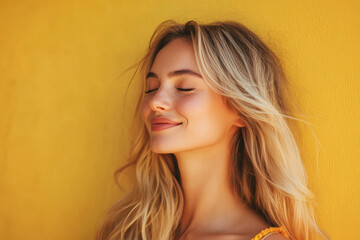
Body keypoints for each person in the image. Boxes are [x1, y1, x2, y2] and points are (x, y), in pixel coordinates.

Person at [96, 20, 329, 240]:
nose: (156, 101)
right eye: (151, 88)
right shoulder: (128, 230)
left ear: (241, 110)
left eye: (185, 87)